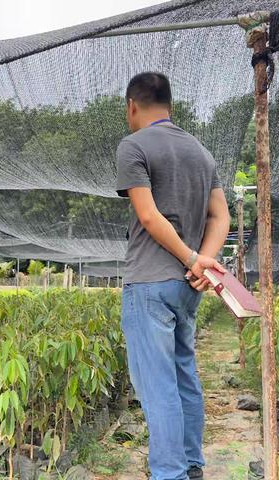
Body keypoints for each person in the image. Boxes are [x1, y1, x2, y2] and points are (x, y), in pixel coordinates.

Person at [116, 72, 230, 480]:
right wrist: (203, 260)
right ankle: (192, 464)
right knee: (184, 374)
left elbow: (148, 215)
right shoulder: (201, 152)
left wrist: (191, 258)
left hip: (149, 282)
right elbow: (222, 216)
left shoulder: (133, 146)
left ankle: (170, 473)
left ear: (132, 105)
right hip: (187, 287)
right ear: (170, 106)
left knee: (156, 385)